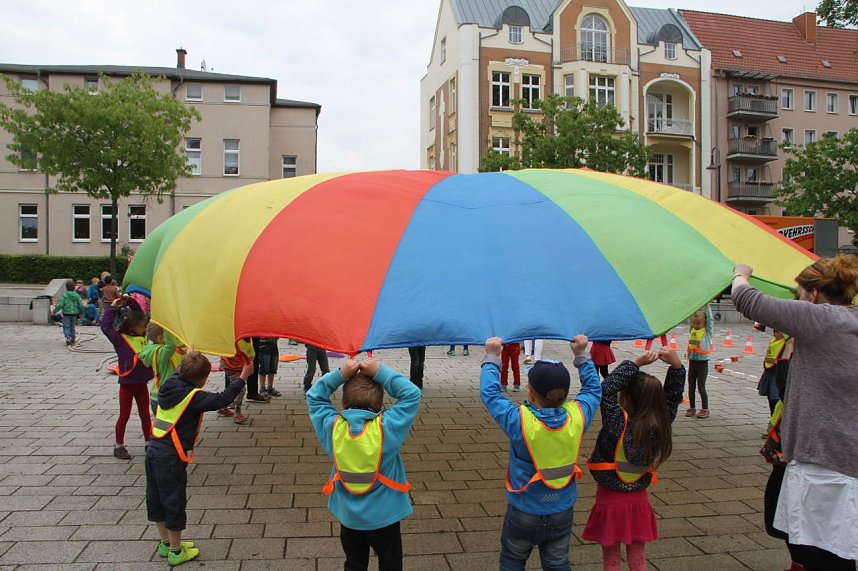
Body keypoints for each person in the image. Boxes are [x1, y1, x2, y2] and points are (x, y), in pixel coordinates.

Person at [732, 255, 858, 570]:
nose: (796, 300)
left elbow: (747, 300)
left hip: (824, 464)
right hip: (844, 459)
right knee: (838, 551)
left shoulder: (820, 318)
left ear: (813, 295)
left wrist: (740, 273)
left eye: (798, 293)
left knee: (821, 555)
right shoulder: (850, 321)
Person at [481, 335, 601, 571]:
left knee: (512, 560)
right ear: (566, 394)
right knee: (557, 563)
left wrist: (492, 357)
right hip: (562, 509)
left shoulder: (520, 422)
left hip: (524, 509)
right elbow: (593, 390)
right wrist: (581, 355)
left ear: (530, 393)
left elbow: (491, 395)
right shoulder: (578, 417)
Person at [307, 357, 421, 571]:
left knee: (354, 564)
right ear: (380, 405)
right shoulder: (387, 427)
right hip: (386, 516)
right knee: (390, 564)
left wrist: (340, 374)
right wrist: (380, 372)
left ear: (342, 404)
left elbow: (314, 397)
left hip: (349, 518)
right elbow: (412, 394)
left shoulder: (332, 427)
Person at [582, 347, 686, 571]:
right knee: (638, 559)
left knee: (610, 559)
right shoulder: (661, 422)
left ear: (626, 397)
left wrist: (635, 363)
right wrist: (676, 367)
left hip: (609, 500)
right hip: (639, 501)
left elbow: (606, 389)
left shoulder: (617, 422)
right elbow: (673, 397)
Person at [146, 351, 253, 566]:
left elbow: (182, 371)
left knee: (156, 498)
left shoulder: (168, 385)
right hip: (171, 457)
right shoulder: (194, 396)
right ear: (204, 379)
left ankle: (166, 544)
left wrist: (189, 354)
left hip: (152, 451)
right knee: (174, 501)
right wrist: (243, 376)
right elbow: (223, 398)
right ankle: (177, 552)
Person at [101, 295, 153, 460]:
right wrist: (113, 307)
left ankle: (148, 443)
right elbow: (105, 326)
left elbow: (140, 315)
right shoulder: (120, 339)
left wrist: (130, 301)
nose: (145, 328)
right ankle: (119, 446)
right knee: (124, 415)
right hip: (128, 384)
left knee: (145, 415)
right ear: (132, 327)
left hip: (142, 384)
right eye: (141, 326)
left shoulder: (143, 337)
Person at [139, 323, 185, 416]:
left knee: (162, 428)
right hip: (166, 397)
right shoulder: (162, 352)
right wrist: (167, 325)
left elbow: (179, 344)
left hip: (159, 395)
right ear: (160, 338)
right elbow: (171, 345)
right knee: (171, 428)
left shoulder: (153, 349)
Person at [685, 305, 714, 419]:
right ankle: (692, 407)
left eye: (698, 324)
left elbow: (710, 319)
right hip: (692, 361)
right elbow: (689, 318)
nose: (696, 326)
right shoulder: (692, 329)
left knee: (701, 386)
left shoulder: (707, 332)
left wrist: (707, 306)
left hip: (702, 363)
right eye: (694, 324)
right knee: (691, 386)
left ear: (704, 324)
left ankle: (705, 409)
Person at [218, 338, 254, 424]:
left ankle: (223, 406)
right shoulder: (239, 339)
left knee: (233, 386)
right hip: (233, 366)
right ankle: (237, 413)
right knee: (241, 389)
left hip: (231, 365)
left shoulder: (244, 338)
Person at [757, 329, 789, 414]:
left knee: (776, 402)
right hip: (768, 374)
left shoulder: (787, 344)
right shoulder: (774, 342)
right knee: (771, 402)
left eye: (778, 332)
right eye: (774, 331)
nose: (775, 334)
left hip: (777, 376)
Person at [53, 279, 84, 345]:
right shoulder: (77, 295)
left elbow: (60, 305)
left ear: (66, 287)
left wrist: (54, 310)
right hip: (74, 313)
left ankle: (68, 337)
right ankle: (73, 338)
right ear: (74, 287)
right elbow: (80, 305)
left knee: (66, 326)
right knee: (72, 326)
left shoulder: (64, 295)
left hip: (66, 313)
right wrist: (81, 312)